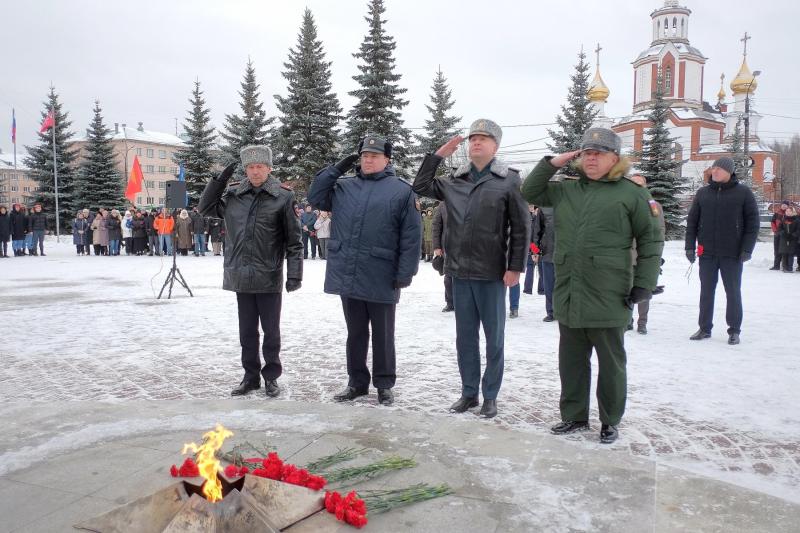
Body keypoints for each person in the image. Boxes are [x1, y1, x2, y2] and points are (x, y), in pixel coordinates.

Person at [522, 127, 664, 444]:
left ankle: (610, 420)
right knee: (571, 361)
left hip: (610, 292)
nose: (592, 158)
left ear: (615, 158)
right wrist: (552, 162)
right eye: (587, 152)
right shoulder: (566, 190)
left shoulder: (632, 194)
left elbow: (652, 242)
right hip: (570, 290)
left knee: (611, 363)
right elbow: (529, 191)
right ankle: (574, 417)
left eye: (599, 153)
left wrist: (644, 284)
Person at [413, 119, 530, 419]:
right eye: (472, 138)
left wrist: (515, 266)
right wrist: (438, 154)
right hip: (459, 271)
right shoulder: (455, 180)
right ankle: (468, 393)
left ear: (496, 145)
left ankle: (490, 394)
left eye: (483, 138)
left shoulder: (509, 181)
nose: (476, 142)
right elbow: (421, 185)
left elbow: (520, 228)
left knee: (494, 338)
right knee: (465, 338)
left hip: (492, 272)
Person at [309, 134, 420, 407]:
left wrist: (406, 272)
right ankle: (356, 383)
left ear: (387, 159)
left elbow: (411, 236)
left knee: (383, 334)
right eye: (364, 156)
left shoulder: (401, 190)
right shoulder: (345, 187)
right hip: (350, 270)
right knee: (355, 333)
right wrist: (337, 167)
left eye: (374, 156)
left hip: (383, 273)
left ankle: (384, 385)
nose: (368, 160)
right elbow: (315, 196)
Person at [199, 144, 303, 398]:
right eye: (251, 167)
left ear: (269, 168)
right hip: (240, 273)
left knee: (271, 331)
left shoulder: (283, 197)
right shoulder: (234, 195)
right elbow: (205, 208)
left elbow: (294, 240)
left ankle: (271, 377)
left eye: (260, 167)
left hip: (268, 274)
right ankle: (250, 376)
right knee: (246, 331)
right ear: (245, 170)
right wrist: (219, 180)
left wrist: (294, 274)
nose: (255, 172)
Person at [685, 156, 759, 346]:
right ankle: (704, 328)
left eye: (719, 169)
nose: (714, 171)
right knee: (706, 291)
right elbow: (692, 222)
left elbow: (753, 224)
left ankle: (734, 330)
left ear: (729, 172)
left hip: (732, 254)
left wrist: (747, 249)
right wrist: (689, 247)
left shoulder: (743, 193)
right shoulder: (703, 193)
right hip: (707, 253)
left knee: (733, 292)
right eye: (713, 168)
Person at [626, 175, 665, 335]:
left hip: (644, 255)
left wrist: (657, 255)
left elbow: (659, 231)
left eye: (640, 184)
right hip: (626, 254)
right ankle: (627, 321)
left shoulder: (654, 206)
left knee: (644, 289)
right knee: (626, 289)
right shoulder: (623, 204)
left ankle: (642, 322)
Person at [432, 201, 453, 312]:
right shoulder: (443, 204)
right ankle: (450, 303)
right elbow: (436, 226)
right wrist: (437, 246)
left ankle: (463, 303)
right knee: (448, 278)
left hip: (465, 247)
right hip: (447, 247)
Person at [536, 206, 556, 322]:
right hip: (547, 255)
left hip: (566, 256)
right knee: (549, 286)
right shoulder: (543, 209)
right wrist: (534, 251)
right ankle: (551, 312)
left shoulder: (569, 203)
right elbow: (535, 233)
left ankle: (563, 311)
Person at [778, 206, 798, 272]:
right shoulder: (783, 220)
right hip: (784, 239)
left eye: (790, 211)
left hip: (792, 239)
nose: (788, 212)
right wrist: (783, 233)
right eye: (787, 211)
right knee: (784, 253)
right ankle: (785, 268)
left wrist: (794, 235)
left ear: (793, 212)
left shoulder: (796, 220)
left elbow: (798, 230)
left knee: (791, 254)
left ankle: (790, 268)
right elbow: (779, 229)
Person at [770, 203, 788, 271]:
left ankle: (785, 266)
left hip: (785, 235)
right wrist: (775, 231)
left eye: (785, 205)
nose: (784, 206)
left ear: (787, 206)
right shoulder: (777, 213)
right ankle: (776, 265)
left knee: (784, 250)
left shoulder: (789, 213)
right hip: (777, 234)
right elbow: (772, 222)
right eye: (783, 205)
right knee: (776, 250)